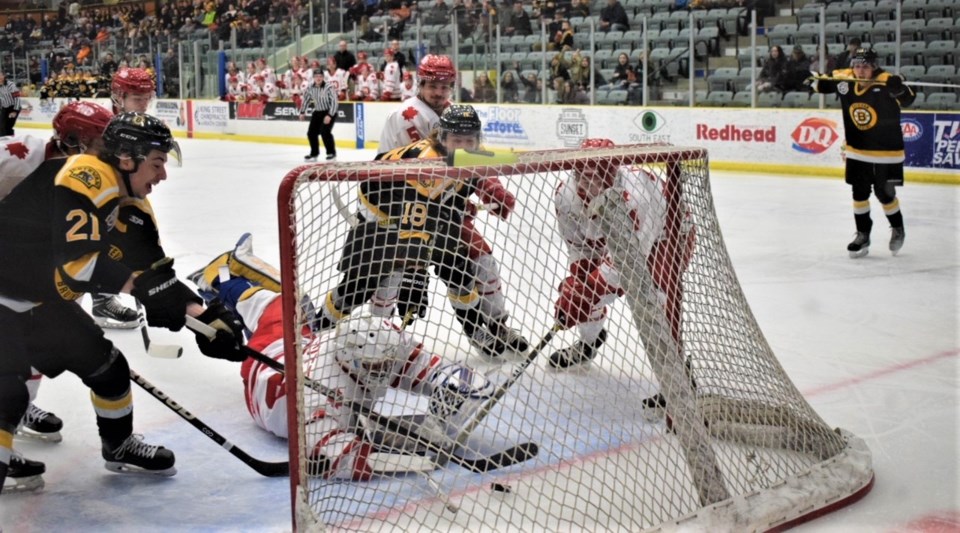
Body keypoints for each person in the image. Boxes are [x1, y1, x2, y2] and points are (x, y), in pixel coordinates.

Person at [0, 113, 246, 494]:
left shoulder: (132, 208)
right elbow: (78, 266)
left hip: (40, 302)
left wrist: (207, 320)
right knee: (7, 395)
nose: (163, 175)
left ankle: (119, 446)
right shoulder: (85, 174)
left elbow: (155, 277)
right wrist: (141, 288)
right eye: (157, 162)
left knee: (109, 369)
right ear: (127, 157)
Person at [189, 238, 496, 480]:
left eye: (386, 364)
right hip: (267, 366)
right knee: (287, 302)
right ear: (349, 360)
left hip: (302, 352)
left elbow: (449, 374)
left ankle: (224, 290)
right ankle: (219, 275)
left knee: (295, 310)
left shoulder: (382, 344)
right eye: (375, 368)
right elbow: (347, 461)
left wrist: (452, 397)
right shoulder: (317, 395)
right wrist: (418, 460)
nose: (383, 372)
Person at [317, 106, 526, 358]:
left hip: (424, 216)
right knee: (365, 283)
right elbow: (414, 218)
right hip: (380, 215)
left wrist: (471, 200)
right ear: (442, 137)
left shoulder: (468, 156)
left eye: (469, 140)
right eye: (456, 140)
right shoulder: (427, 164)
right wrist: (415, 273)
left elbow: (464, 186)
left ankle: (476, 330)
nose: (463, 147)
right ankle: (318, 326)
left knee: (458, 270)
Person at [551, 138, 696, 368]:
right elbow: (579, 246)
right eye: (584, 173)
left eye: (598, 173)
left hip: (668, 234)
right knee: (580, 288)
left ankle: (676, 371)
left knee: (655, 296)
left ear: (613, 169)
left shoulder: (636, 195)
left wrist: (589, 291)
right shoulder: (564, 195)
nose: (590, 179)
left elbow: (629, 263)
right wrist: (578, 285)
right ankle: (588, 344)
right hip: (617, 237)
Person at [806, 48, 915, 257]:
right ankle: (863, 234)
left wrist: (898, 89)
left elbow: (908, 99)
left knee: (885, 194)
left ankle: (898, 228)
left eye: (865, 66)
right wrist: (808, 80)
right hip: (857, 150)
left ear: (873, 67)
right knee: (859, 193)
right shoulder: (845, 79)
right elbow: (822, 83)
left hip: (888, 152)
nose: (860, 70)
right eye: (856, 66)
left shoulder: (886, 81)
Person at [94, 66, 161, 329]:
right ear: (118, 97)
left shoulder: (139, 125)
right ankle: (101, 301)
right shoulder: (102, 124)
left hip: (125, 195)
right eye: (137, 98)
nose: (144, 105)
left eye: (146, 98)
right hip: (101, 197)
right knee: (98, 246)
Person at [378, 54, 456, 153]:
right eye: (432, 86)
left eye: (444, 87)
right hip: (395, 167)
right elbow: (421, 159)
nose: (438, 93)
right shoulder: (408, 114)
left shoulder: (452, 110)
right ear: (421, 86)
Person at [300, 70, 339, 162]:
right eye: (316, 76)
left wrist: (329, 115)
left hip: (329, 111)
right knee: (311, 133)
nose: (318, 78)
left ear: (323, 77)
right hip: (317, 111)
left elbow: (334, 102)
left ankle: (331, 153)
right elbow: (306, 99)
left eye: (320, 76)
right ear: (313, 77)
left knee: (324, 132)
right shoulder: (310, 87)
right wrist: (302, 111)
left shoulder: (329, 87)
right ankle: (314, 154)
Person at [0, 72, 20, 137]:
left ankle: (10, 141)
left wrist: (15, 110)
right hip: (4, 108)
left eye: (0, 75)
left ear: (3, 76)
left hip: (13, 107)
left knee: (8, 126)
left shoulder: (10, 85)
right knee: (1, 126)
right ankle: (2, 142)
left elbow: (17, 98)